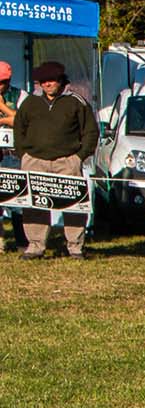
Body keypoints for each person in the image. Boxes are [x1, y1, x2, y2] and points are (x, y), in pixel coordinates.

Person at [12, 61, 98, 259]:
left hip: (67, 160)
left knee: (74, 204)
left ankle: (75, 247)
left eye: (52, 80)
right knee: (34, 204)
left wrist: (79, 157)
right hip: (35, 160)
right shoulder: (30, 102)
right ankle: (35, 246)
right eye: (44, 81)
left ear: (61, 80)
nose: (48, 84)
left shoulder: (77, 102)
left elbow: (91, 131)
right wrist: (23, 154)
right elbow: (19, 128)